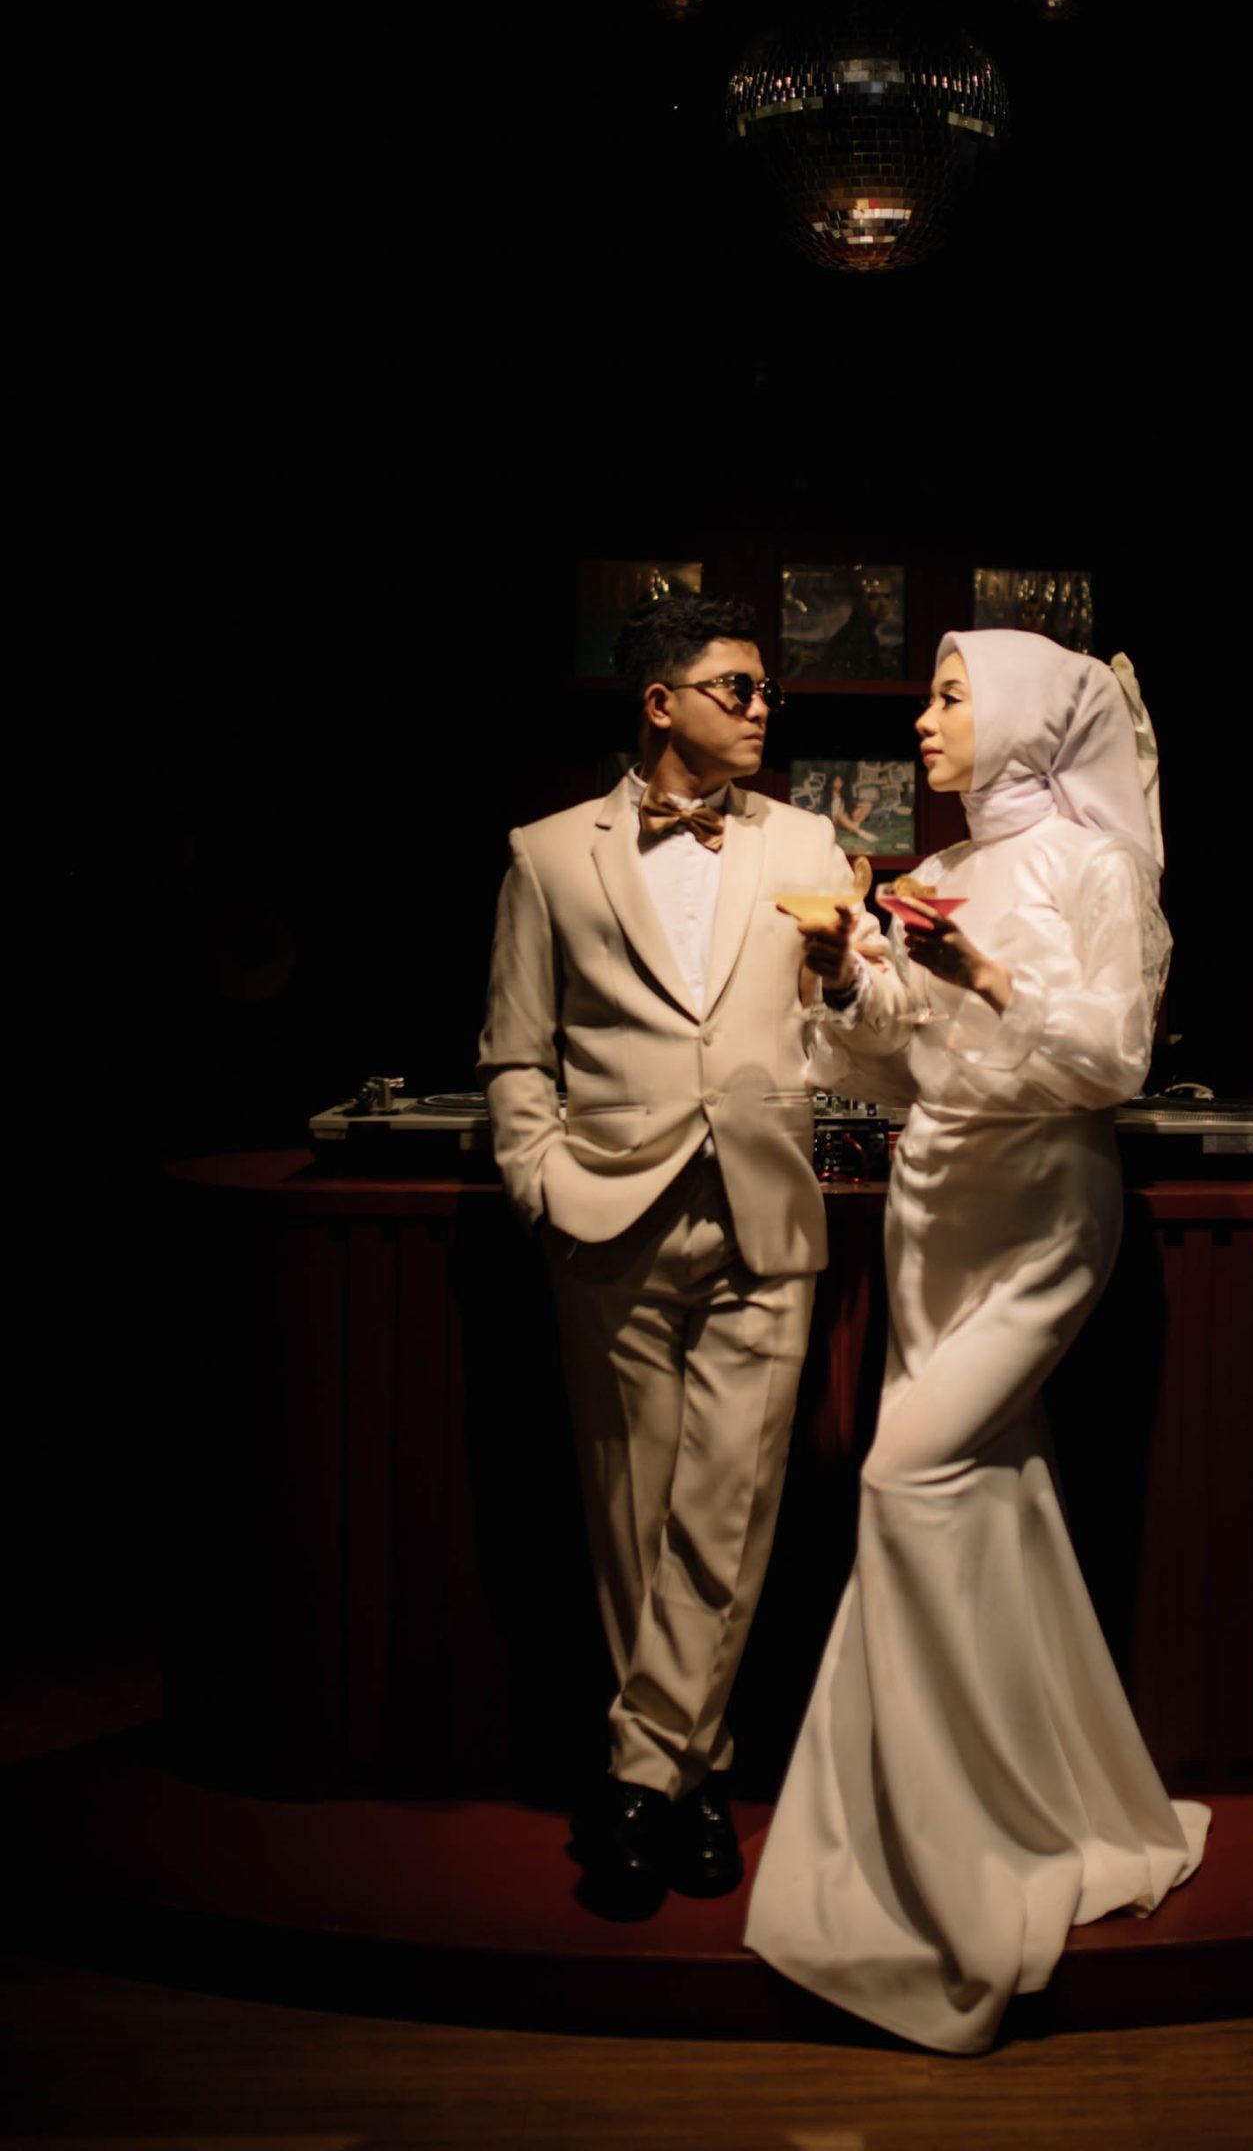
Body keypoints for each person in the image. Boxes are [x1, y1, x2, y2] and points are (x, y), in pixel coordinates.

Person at [744, 628, 1210, 2053]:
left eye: (951, 696)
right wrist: (850, 972)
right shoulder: (942, 867)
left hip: (1043, 1202)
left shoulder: (1094, 866)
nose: (925, 719)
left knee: (905, 1477)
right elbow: (887, 1051)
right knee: (995, 1498)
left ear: (1018, 718)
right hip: (932, 1201)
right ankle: (1034, 1796)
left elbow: (1113, 1058)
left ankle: (963, 1842)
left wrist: (990, 976)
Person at [477, 595, 877, 1920]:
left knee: (731, 1504)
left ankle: (641, 1779)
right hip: (606, 1214)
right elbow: (515, 1054)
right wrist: (539, 1181)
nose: (763, 709)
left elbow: (850, 1030)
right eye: (737, 688)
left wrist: (843, 974)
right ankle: (698, 1780)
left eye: (767, 691)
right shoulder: (547, 856)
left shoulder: (813, 845)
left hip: (764, 1212)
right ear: (661, 703)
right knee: (633, 1516)